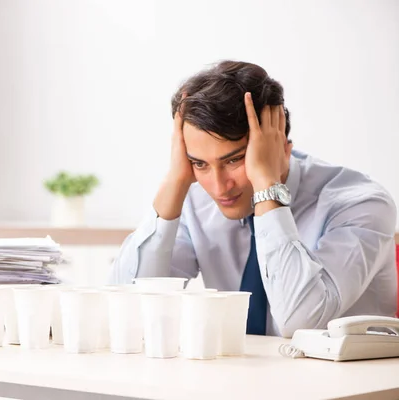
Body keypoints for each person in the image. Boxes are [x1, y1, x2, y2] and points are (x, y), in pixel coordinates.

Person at [109, 60, 398, 338]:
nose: (219, 187)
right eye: (200, 163)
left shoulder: (362, 204)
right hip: (239, 380)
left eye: (235, 160)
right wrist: (175, 179)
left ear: (280, 148)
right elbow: (128, 308)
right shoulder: (196, 198)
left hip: (348, 385)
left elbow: (301, 321)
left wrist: (266, 187)